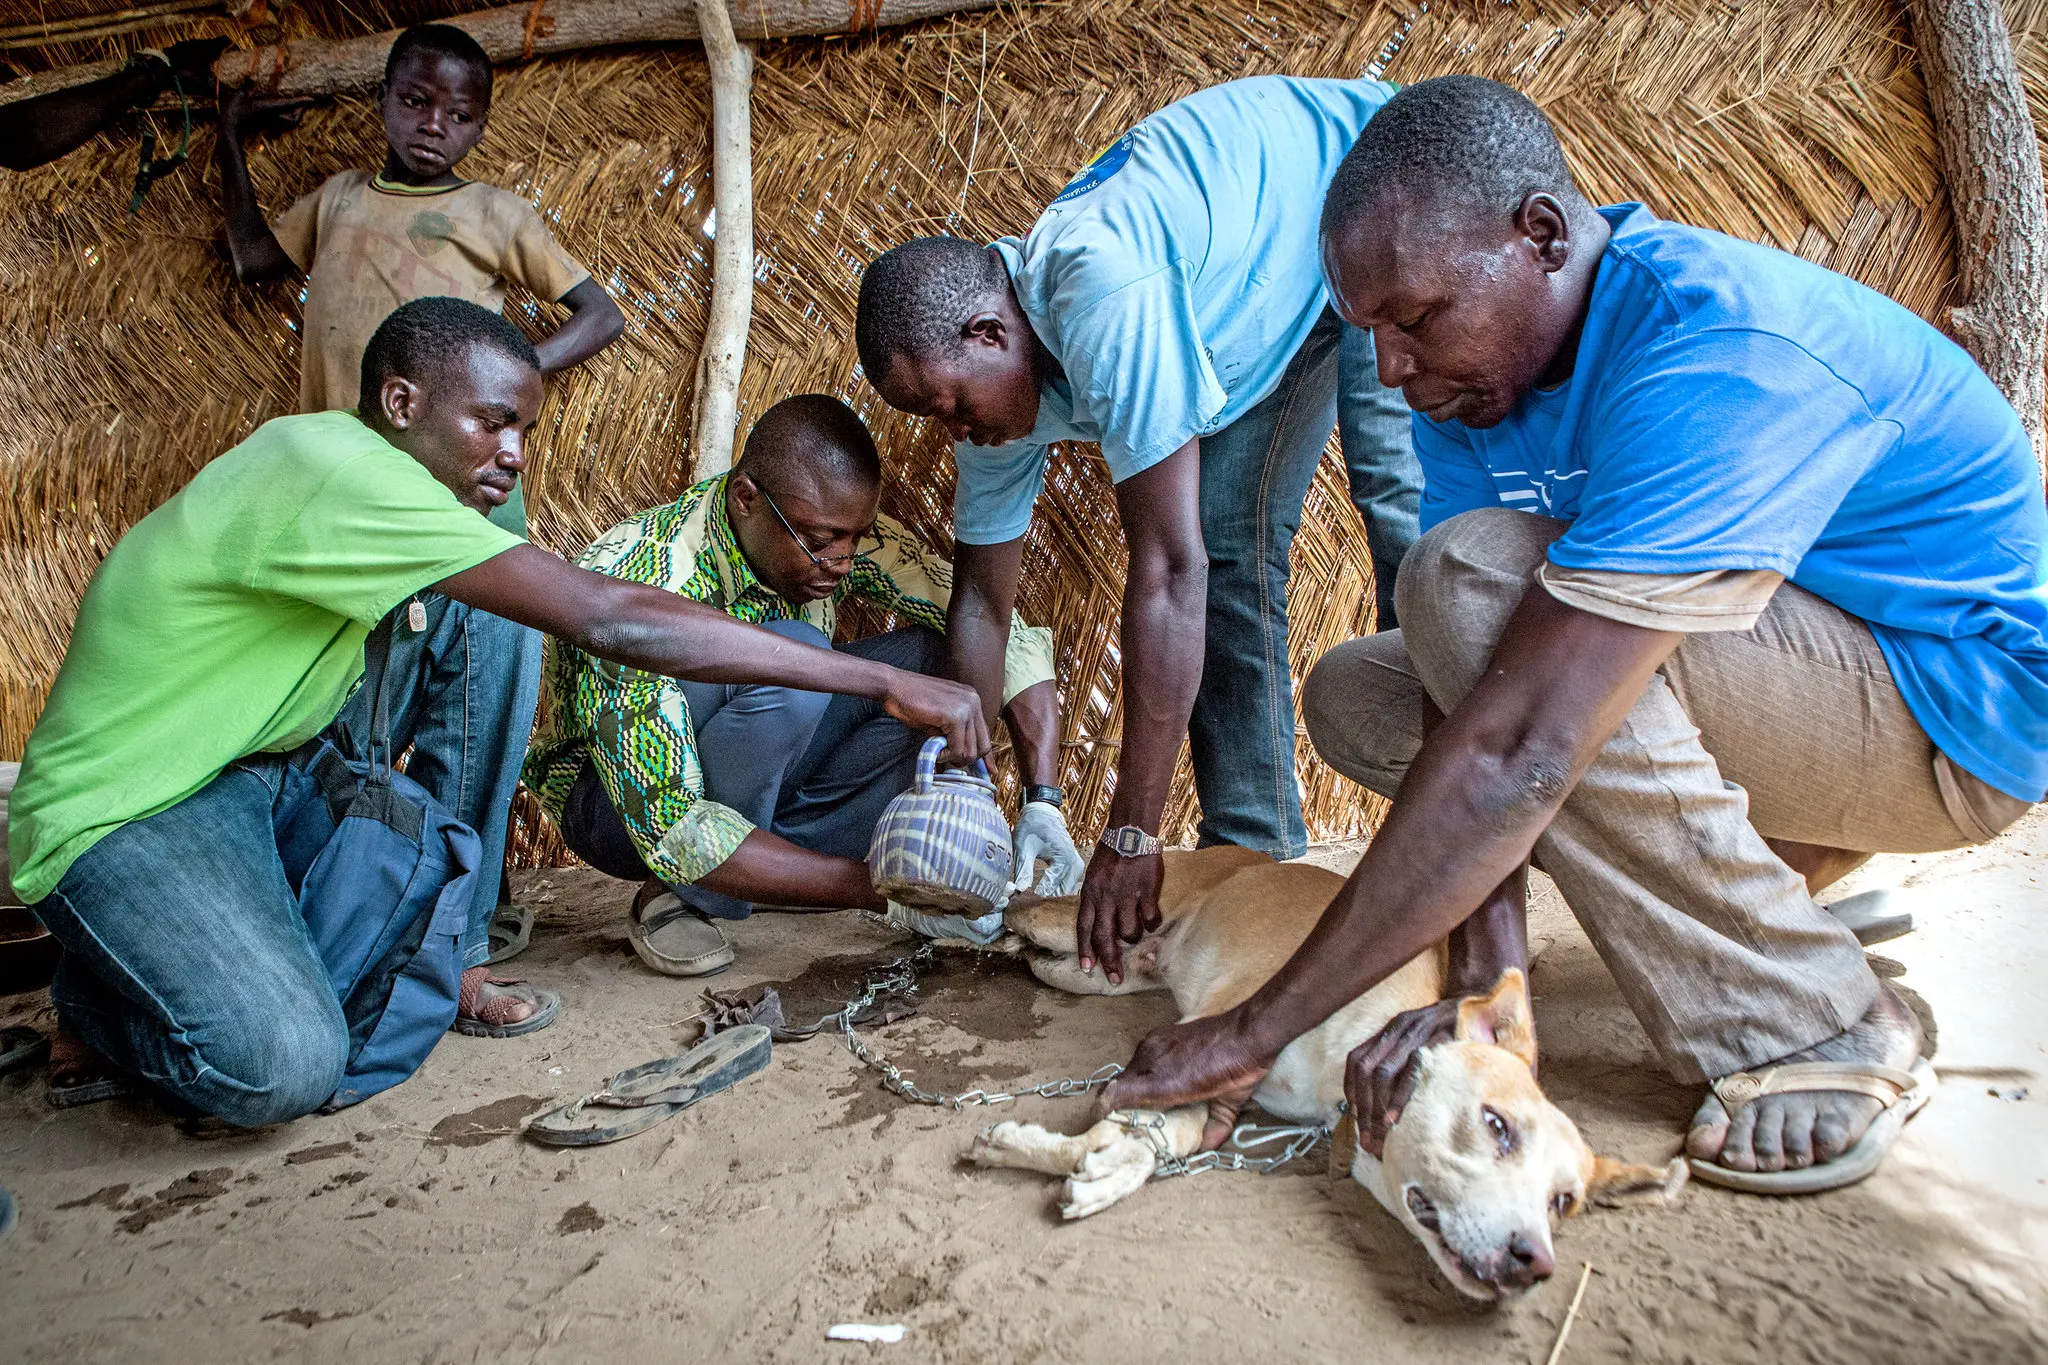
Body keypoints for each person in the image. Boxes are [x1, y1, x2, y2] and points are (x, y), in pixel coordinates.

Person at [1105, 76, 2046, 1192]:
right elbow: (1472, 688)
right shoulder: (1482, 388)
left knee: (1467, 590)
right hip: (1793, 686)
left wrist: (1247, 1030)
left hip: (1947, 720)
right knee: (1362, 687)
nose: (1393, 371)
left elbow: (1521, 743)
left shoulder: (1716, 348)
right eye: (1371, 336)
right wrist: (1485, 987)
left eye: (1411, 319)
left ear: (1540, 237)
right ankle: (1779, 872)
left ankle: (1814, 1018)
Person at [9, 297, 987, 1126]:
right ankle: (102, 1006)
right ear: (400, 402)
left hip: (270, 775)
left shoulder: (423, 505)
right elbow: (611, 617)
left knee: (495, 626)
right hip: (135, 812)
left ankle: (456, 951)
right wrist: (876, 685)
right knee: (284, 1070)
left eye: (525, 429)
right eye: (493, 422)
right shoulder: (327, 469)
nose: (516, 453)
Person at [855, 75, 1423, 982]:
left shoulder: (1101, 289)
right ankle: (1255, 862)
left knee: (1397, 497)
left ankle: (1453, 841)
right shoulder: (989, 393)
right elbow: (979, 603)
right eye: (935, 416)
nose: (952, 431)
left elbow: (1165, 571)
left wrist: (1127, 833)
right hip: (1257, 294)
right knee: (1233, 554)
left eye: (949, 404)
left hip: (1372, 188)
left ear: (988, 331)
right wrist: (967, 792)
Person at [215, 21, 627, 955]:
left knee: (475, 714)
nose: (434, 124)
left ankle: (457, 945)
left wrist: (499, 391)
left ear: (482, 125)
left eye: (460, 112)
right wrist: (231, 138)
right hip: (352, 504)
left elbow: (600, 315)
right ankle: (346, 923)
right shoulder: (336, 202)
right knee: (344, 721)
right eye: (415, 101)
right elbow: (247, 258)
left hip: (466, 506)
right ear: (383, 101)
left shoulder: (494, 214)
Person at [525, 393, 1077, 976]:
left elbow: (998, 628)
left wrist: (1045, 801)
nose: (841, 562)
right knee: (798, 664)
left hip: (770, 784)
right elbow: (674, 826)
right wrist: (886, 894)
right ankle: (684, 896)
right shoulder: (647, 575)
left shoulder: (830, 529)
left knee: (944, 663)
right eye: (820, 542)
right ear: (746, 500)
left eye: (854, 539)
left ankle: (771, 870)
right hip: (618, 811)